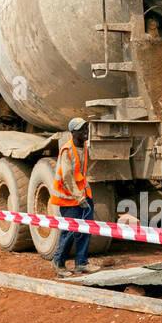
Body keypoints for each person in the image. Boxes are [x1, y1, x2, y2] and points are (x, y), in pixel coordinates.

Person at [49, 117, 101, 278]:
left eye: (86, 128)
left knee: (85, 230)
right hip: (69, 199)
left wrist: (84, 196)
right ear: (73, 133)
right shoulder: (67, 150)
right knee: (69, 232)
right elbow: (67, 177)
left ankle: (81, 263)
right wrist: (79, 198)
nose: (86, 132)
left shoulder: (83, 147)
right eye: (82, 129)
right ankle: (59, 262)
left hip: (83, 195)